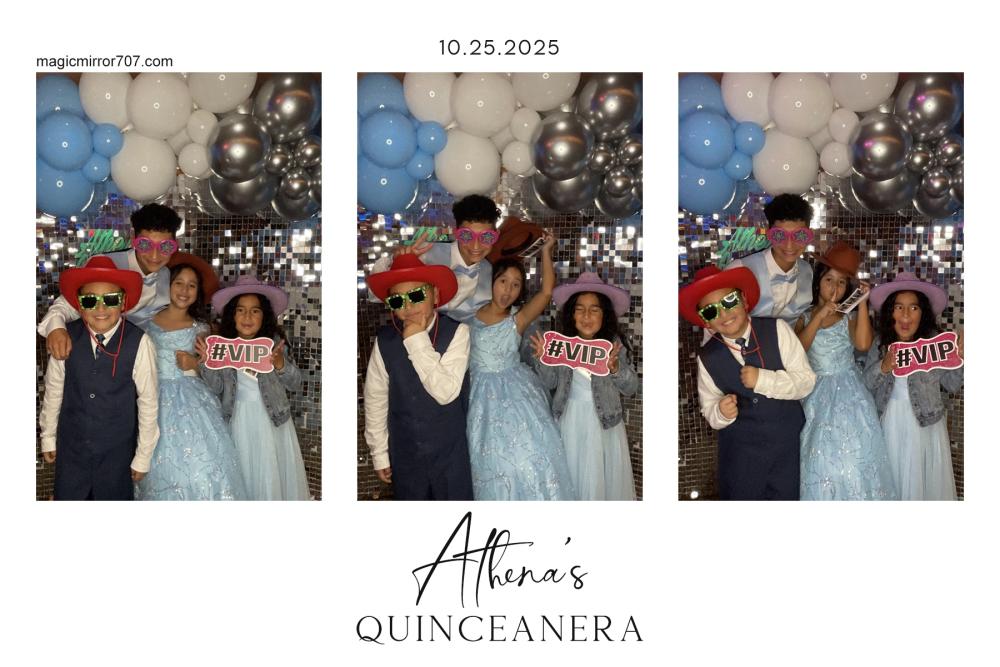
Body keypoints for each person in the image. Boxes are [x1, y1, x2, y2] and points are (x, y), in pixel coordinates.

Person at [680, 265, 815, 500]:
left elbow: (806, 382)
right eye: (711, 311)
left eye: (729, 301)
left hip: (787, 451)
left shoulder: (778, 330)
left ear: (743, 299)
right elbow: (709, 408)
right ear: (706, 322)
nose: (724, 313)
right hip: (740, 459)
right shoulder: (708, 357)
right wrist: (721, 412)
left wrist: (764, 379)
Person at [38, 256, 159, 500]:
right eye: (90, 300)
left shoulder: (140, 342)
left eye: (110, 299)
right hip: (72, 450)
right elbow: (53, 392)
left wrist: (143, 456)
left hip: (117, 453)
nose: (101, 309)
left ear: (122, 302)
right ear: (79, 305)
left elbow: (148, 402)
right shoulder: (66, 338)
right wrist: (48, 436)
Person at [466, 233, 574, 500]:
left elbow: (546, 291)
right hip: (480, 399)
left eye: (515, 285)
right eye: (503, 281)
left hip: (518, 395)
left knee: (530, 455)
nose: (508, 290)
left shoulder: (518, 319)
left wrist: (546, 251)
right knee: (493, 463)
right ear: (492, 281)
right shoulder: (469, 316)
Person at [363, 254, 474, 500]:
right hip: (406, 453)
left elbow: (445, 392)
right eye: (397, 300)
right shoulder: (385, 341)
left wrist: (416, 339)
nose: (408, 307)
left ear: (435, 295)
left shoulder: (457, 333)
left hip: (451, 453)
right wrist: (379, 453)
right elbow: (375, 399)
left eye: (416, 296)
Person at [136, 255, 247, 500]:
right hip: (151, 399)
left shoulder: (202, 329)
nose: (184, 290)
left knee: (200, 464)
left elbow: (216, 374)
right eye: (178, 283)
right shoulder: (145, 322)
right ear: (167, 285)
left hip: (193, 403)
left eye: (191, 285)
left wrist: (195, 364)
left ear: (198, 293)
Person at [795, 241, 896, 500]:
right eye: (829, 280)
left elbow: (863, 344)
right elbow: (798, 350)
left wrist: (862, 303)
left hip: (851, 392)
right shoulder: (804, 317)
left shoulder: (847, 317)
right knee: (820, 456)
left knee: (855, 455)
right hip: (816, 392)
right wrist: (819, 316)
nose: (835, 287)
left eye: (842, 282)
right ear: (818, 281)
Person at [199, 276, 310, 500]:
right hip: (237, 419)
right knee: (242, 475)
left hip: (272, 421)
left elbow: (295, 383)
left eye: (255, 311)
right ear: (232, 315)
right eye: (240, 310)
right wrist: (205, 363)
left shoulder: (274, 344)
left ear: (264, 315)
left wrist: (280, 364)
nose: (247, 316)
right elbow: (217, 387)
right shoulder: (222, 346)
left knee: (270, 474)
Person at [530, 272, 639, 500]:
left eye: (594, 309)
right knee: (572, 479)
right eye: (579, 309)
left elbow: (631, 387)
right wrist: (542, 359)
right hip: (570, 422)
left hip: (605, 425)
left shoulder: (613, 346)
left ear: (604, 315)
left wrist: (616, 368)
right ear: (571, 315)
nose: (586, 316)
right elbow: (549, 382)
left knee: (601, 483)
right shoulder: (561, 345)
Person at [863, 272, 964, 500]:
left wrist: (962, 358)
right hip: (890, 424)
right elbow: (866, 384)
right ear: (890, 312)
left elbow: (952, 384)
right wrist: (883, 366)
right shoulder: (881, 344)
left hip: (926, 427)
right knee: (893, 481)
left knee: (923, 485)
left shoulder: (934, 344)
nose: (906, 315)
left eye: (914, 308)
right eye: (898, 307)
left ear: (923, 313)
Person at [38, 203, 181, 358]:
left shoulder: (169, 276)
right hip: (97, 355)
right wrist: (56, 328)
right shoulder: (104, 264)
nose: (154, 256)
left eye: (165, 247)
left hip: (142, 356)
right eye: (145, 244)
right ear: (133, 238)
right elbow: (67, 305)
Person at [369, 194, 500, 322]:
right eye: (466, 236)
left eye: (487, 237)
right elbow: (375, 295)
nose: (476, 246)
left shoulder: (491, 273)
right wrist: (396, 263)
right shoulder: (424, 254)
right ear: (456, 232)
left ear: (497, 235)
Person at [728, 193, 815, 326]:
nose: (789, 245)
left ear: (810, 234)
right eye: (779, 235)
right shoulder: (739, 270)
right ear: (769, 233)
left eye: (800, 235)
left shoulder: (807, 271)